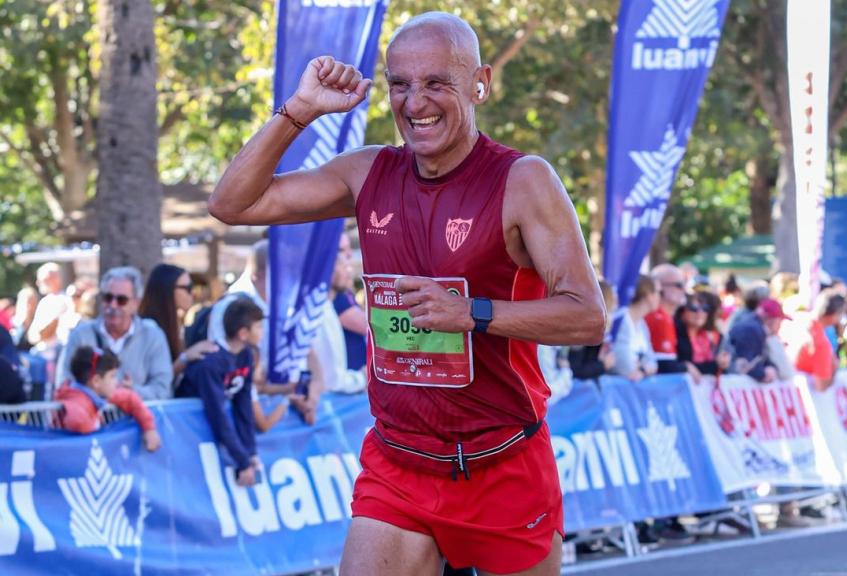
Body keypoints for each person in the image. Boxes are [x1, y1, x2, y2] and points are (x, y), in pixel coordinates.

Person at [207, 12, 605, 576]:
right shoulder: (368, 172)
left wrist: (472, 313)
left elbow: (588, 316)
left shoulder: (523, 181)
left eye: (437, 83)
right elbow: (232, 204)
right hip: (400, 462)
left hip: (502, 460)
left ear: (480, 83)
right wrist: (299, 112)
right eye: (400, 85)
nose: (415, 103)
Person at [177, 297, 264, 486]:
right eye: (258, 328)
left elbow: (243, 405)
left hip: (214, 419)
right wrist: (242, 461)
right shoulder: (211, 363)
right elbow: (217, 415)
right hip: (189, 428)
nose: (262, 333)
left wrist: (251, 452)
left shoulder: (246, 355)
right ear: (243, 333)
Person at [56, 267, 174, 401]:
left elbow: (163, 390)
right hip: (90, 419)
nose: (113, 305)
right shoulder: (80, 335)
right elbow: (64, 383)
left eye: (121, 300)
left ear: (136, 303)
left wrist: (131, 393)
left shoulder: (153, 336)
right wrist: (96, 394)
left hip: (136, 420)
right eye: (108, 298)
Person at [55, 346, 161, 451]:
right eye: (112, 376)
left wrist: (149, 428)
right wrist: (102, 439)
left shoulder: (97, 394)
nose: (116, 382)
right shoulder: (77, 403)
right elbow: (78, 423)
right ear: (96, 381)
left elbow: (129, 398)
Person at [139, 263, 218, 383]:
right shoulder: (148, 328)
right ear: (167, 289)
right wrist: (185, 358)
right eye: (188, 288)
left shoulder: (176, 324)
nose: (193, 293)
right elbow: (154, 380)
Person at [792, 291, 846, 391]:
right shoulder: (820, 343)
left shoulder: (798, 321)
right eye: (842, 314)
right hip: (800, 399)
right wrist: (834, 368)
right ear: (835, 314)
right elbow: (821, 387)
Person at [332, 232, 368, 371]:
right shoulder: (335, 296)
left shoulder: (343, 290)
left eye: (349, 248)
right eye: (341, 250)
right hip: (348, 383)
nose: (349, 255)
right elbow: (371, 328)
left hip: (354, 381)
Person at [612, 275, 659, 381]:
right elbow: (623, 365)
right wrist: (642, 369)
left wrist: (642, 370)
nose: (659, 297)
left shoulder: (642, 324)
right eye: (657, 292)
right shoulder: (621, 321)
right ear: (648, 295)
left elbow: (652, 362)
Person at [727, 298, 786, 383]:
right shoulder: (753, 329)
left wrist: (770, 368)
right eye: (780, 320)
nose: (780, 325)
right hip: (731, 381)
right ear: (773, 319)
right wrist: (763, 374)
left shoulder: (753, 325)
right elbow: (745, 364)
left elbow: (759, 359)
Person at [568, 279, 617, 381]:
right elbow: (575, 370)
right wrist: (602, 365)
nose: (616, 306)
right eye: (613, 303)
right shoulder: (582, 329)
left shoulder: (598, 330)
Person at [676, 292, 729, 385]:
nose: (699, 313)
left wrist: (721, 364)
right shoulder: (675, 331)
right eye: (693, 308)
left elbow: (713, 369)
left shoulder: (711, 336)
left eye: (705, 309)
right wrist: (685, 367)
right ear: (683, 309)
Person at [645, 264, 687, 373]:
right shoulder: (658, 317)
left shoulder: (669, 316)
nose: (684, 289)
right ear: (660, 287)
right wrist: (687, 367)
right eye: (679, 285)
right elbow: (666, 366)